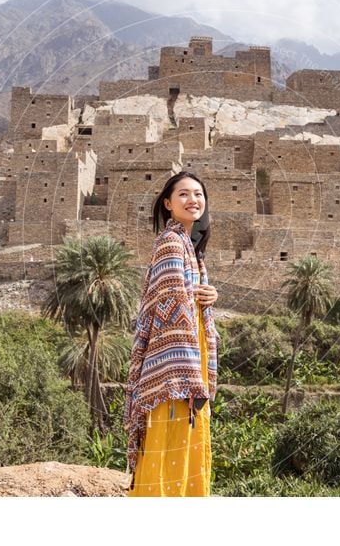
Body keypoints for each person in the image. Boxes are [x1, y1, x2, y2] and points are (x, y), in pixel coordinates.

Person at [124, 171, 219, 497]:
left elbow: (185, 299)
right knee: (170, 442)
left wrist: (209, 296)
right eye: (183, 194)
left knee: (183, 441)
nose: (193, 200)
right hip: (176, 364)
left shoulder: (189, 247)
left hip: (189, 355)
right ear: (167, 203)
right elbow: (171, 310)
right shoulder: (170, 243)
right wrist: (189, 372)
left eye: (198, 194)